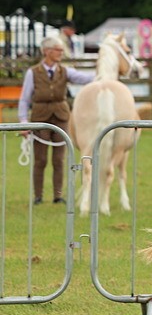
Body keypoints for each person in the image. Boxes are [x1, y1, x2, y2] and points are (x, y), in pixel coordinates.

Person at [17, 36, 94, 204]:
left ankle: (58, 195)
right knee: (41, 159)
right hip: (40, 118)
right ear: (47, 51)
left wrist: (103, 73)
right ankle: (38, 196)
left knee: (59, 159)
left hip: (60, 117)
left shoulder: (65, 71)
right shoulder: (33, 73)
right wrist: (23, 122)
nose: (61, 53)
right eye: (58, 50)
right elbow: (24, 99)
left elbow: (84, 78)